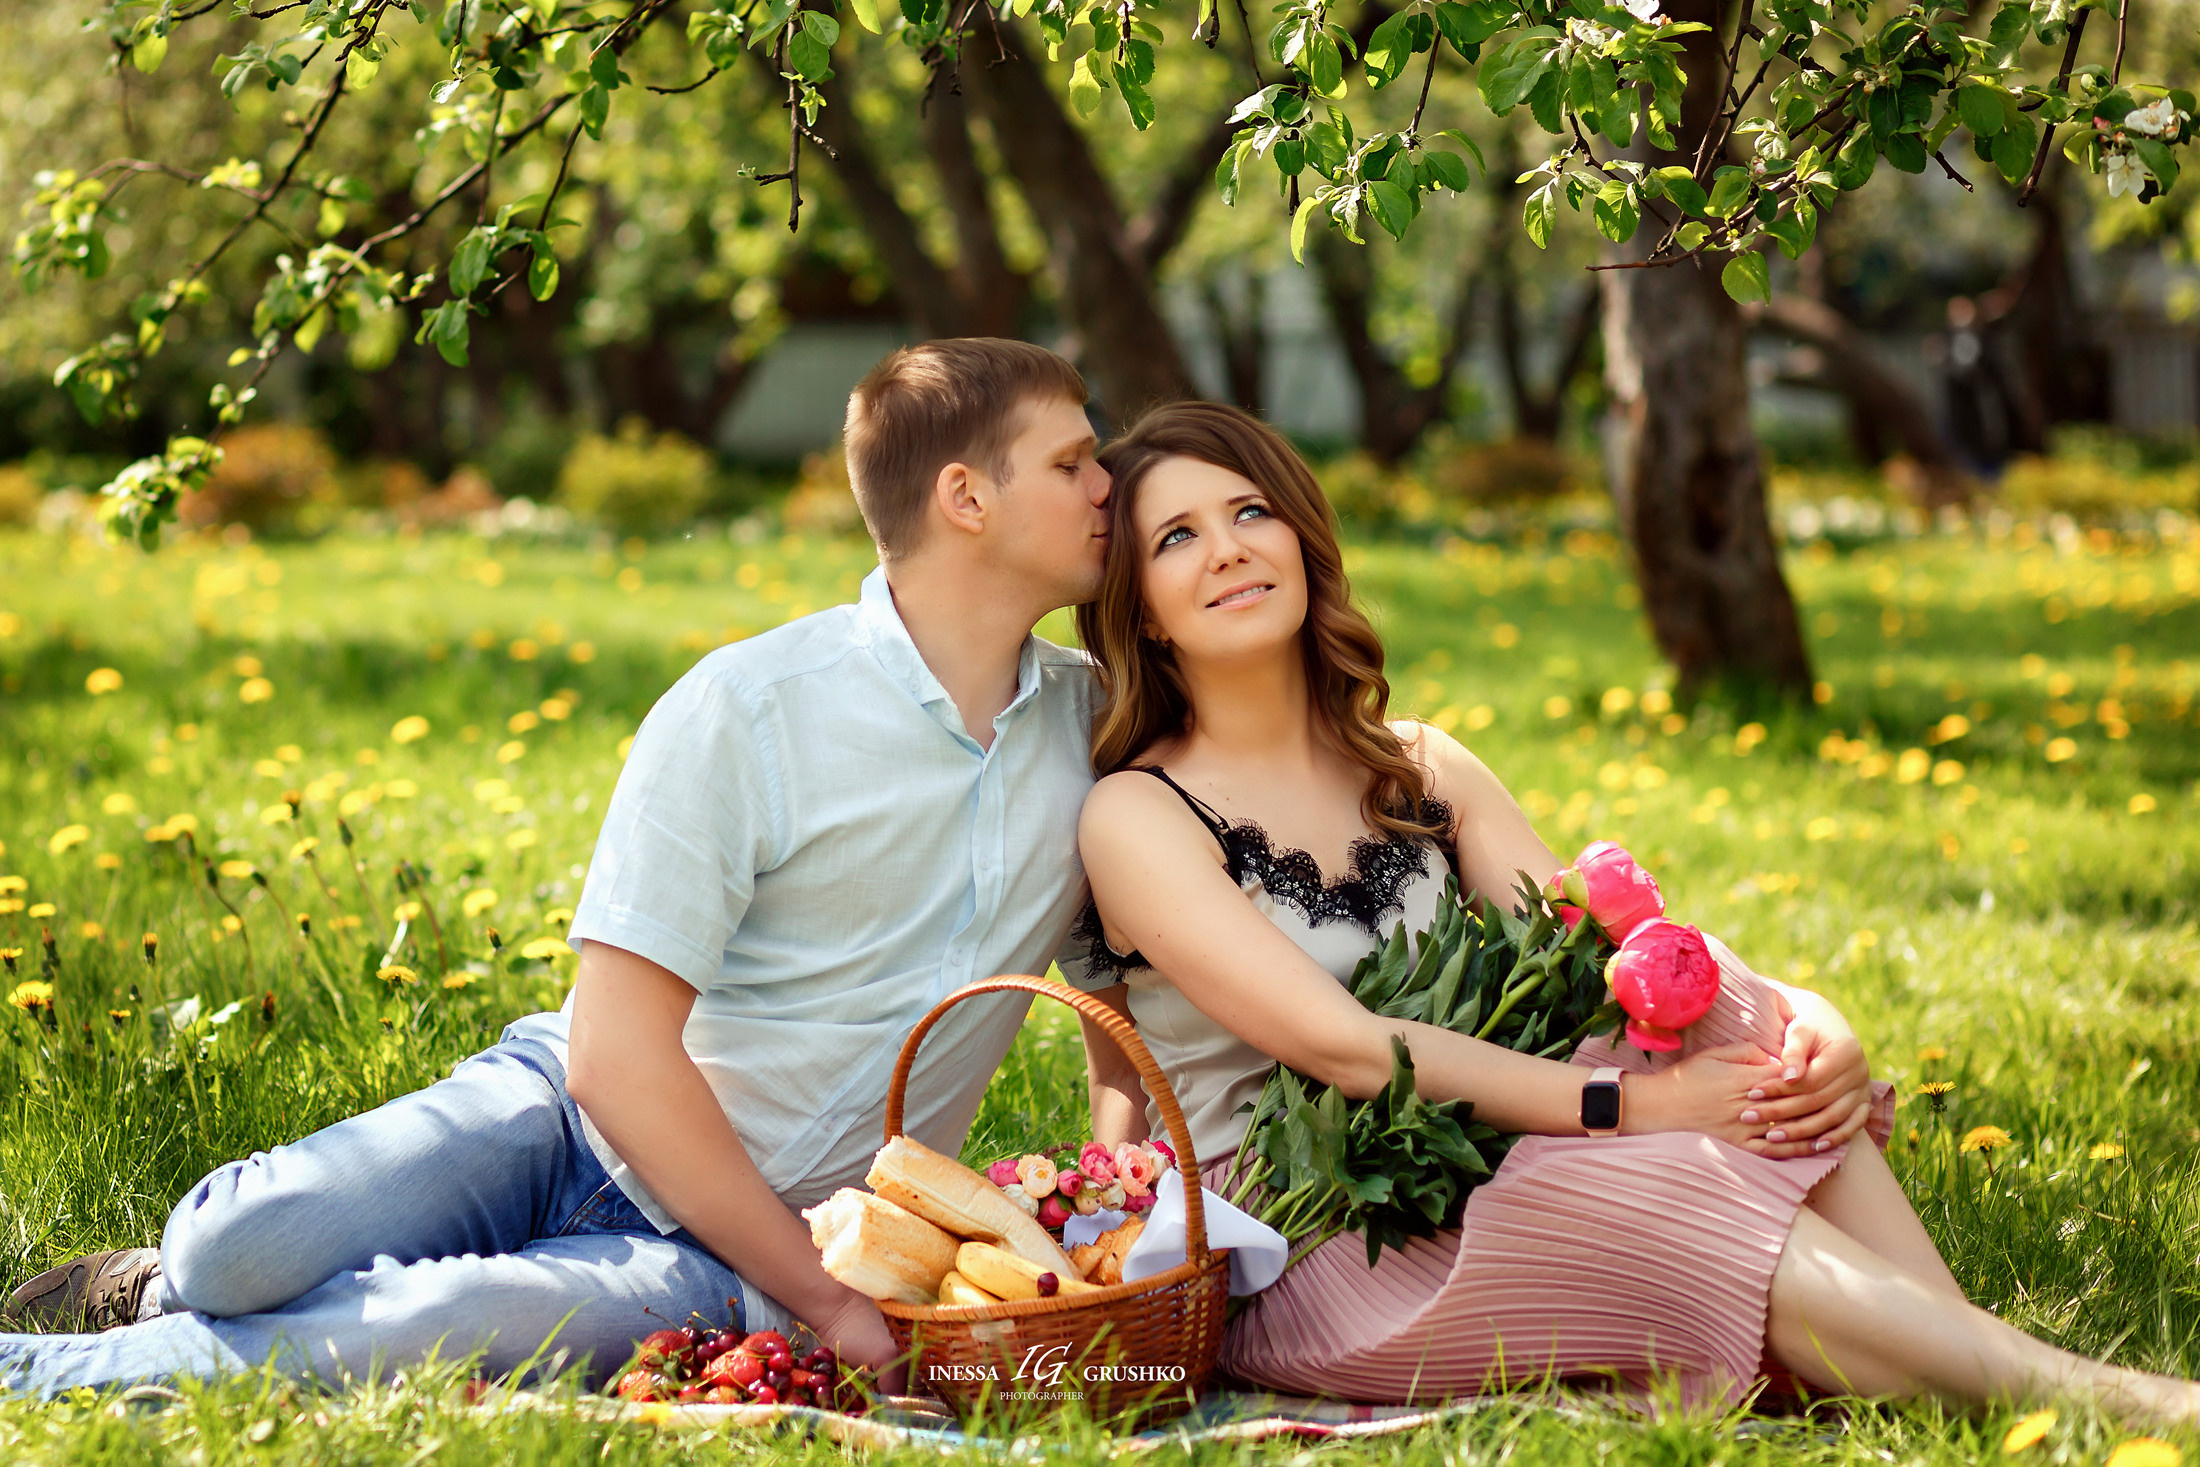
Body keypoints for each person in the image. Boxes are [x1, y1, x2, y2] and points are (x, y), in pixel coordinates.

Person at [1, 338, 1112, 1397]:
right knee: (234, 1248)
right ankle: (165, 1290)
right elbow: (614, 1060)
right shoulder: (753, 707)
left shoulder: (1097, 739)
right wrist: (833, 1309)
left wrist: (1067, 1251)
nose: (1108, 487)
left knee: (420, 1329)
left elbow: (1123, 1026)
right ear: (966, 497)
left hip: (760, 1247)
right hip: (561, 1125)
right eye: (1072, 463)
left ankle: (33, 1376)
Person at [1066, 400, 2200, 1424]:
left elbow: (1603, 959)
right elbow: (1347, 1048)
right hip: (1315, 1233)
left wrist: (1809, 1018)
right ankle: (2095, 1401)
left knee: (1712, 996)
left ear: (1300, 538)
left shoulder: (1417, 765)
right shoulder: (1139, 814)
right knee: (1647, 1169)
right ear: (1144, 613)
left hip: (1480, 1153)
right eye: (1177, 538)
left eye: (1249, 511)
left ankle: (1967, 1351)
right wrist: (1631, 1108)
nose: (1227, 549)